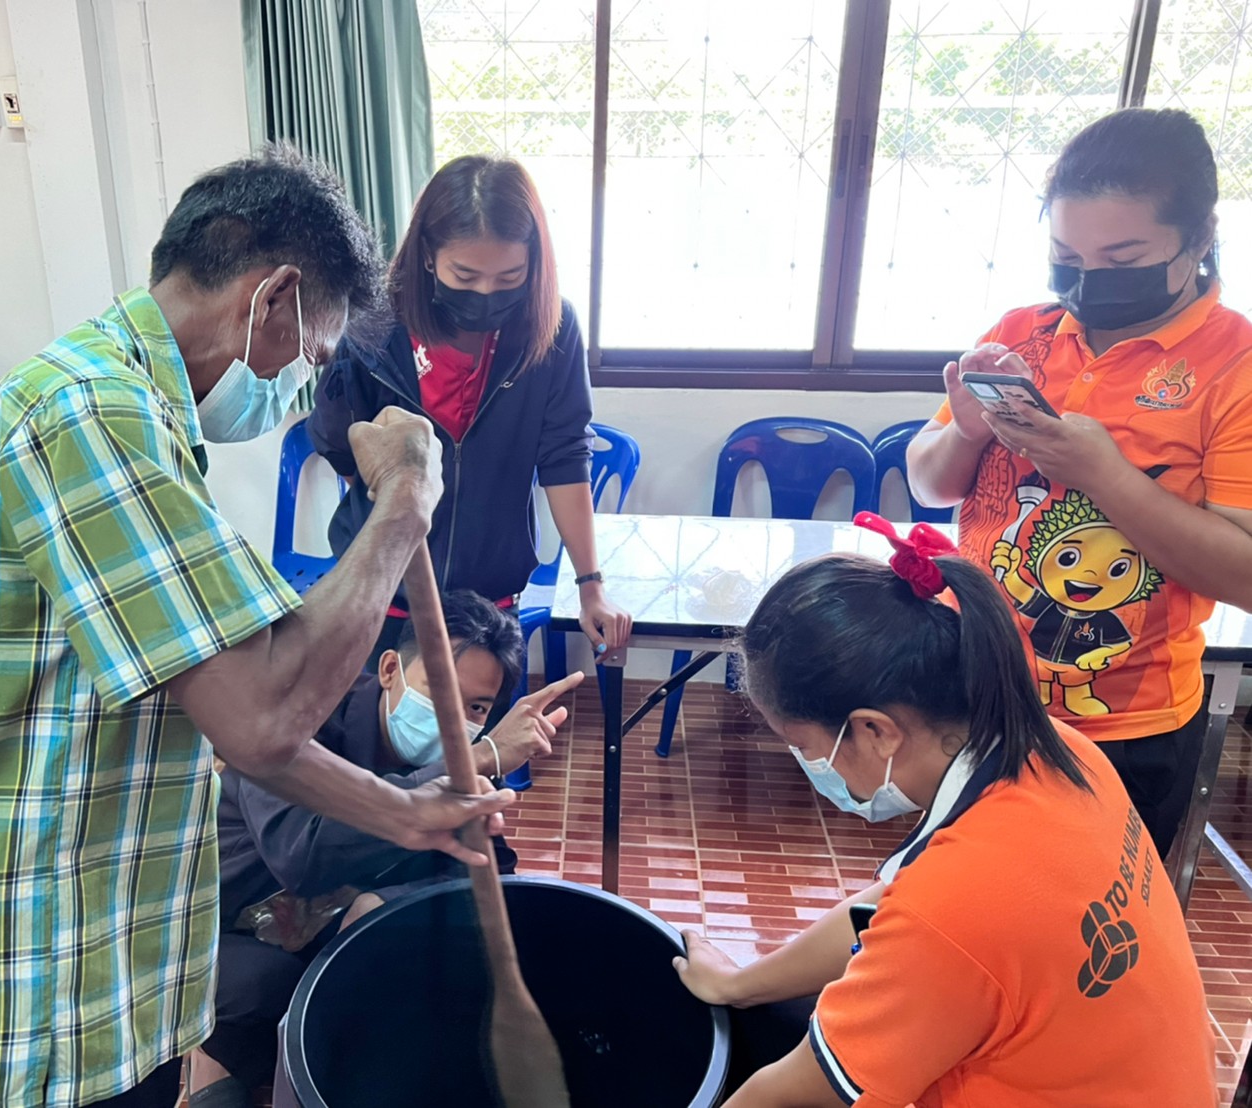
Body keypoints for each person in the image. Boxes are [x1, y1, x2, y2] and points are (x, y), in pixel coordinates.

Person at [0, 146, 513, 1108]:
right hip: (21, 977)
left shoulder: (139, 417)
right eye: (310, 357)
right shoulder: (87, 415)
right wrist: (406, 503)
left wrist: (403, 814)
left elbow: (229, 696)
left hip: (98, 952)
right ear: (273, 298)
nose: (296, 387)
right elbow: (266, 718)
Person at [672, 516, 1214, 1107]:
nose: (810, 765)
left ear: (875, 731)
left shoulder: (955, 907)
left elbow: (791, 1094)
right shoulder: (1055, 750)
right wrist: (741, 984)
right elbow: (889, 909)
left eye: (804, 746)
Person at [907, 108, 1252, 860]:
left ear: (1199, 238)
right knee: (959, 898)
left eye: (1123, 257)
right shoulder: (1020, 331)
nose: (1088, 281)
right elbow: (928, 483)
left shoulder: (1236, 365)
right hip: (973, 689)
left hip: (1123, 726)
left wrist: (1103, 475)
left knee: (1082, 921)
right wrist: (967, 430)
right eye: (1066, 256)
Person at [187, 591, 583, 1106]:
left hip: (322, 927)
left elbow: (494, 872)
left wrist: (386, 901)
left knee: (403, 964)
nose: (453, 717)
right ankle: (206, 1058)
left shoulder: (463, 764)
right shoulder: (298, 723)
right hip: (220, 931)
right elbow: (302, 857)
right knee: (278, 987)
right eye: (439, 687)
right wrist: (473, 760)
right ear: (391, 668)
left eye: (477, 707)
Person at [308, 155, 632, 666]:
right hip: (379, 592)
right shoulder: (373, 325)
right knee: (376, 717)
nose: (486, 293)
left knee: (485, 720)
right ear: (428, 255)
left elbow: (565, 457)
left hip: (489, 605)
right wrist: (397, 514)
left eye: (509, 277)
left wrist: (591, 586)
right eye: (465, 274)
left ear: (534, 262)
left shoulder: (551, 328)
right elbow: (341, 445)